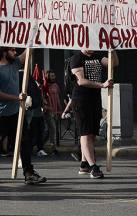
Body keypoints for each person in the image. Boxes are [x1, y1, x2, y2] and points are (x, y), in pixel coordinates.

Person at [0, 47, 46, 185]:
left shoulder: (15, 64)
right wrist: (17, 97)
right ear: (4, 53)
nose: (15, 52)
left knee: (24, 142)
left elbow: (26, 53)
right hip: (0, 113)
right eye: (12, 50)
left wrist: (32, 41)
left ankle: (28, 173)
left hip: (16, 112)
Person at [68, 48, 118, 179]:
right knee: (85, 132)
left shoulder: (97, 56)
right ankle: (93, 167)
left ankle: (84, 164)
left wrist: (112, 50)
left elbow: (114, 63)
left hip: (95, 99)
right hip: (81, 99)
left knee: (92, 133)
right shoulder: (77, 58)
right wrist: (102, 85)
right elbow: (81, 81)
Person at [43, 70, 62, 155]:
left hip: (54, 111)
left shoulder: (56, 85)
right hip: (48, 111)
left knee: (49, 131)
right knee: (53, 129)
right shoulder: (45, 86)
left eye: (54, 75)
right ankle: (54, 149)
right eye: (52, 76)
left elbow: (57, 99)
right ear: (47, 77)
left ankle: (40, 145)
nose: (54, 77)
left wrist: (60, 110)